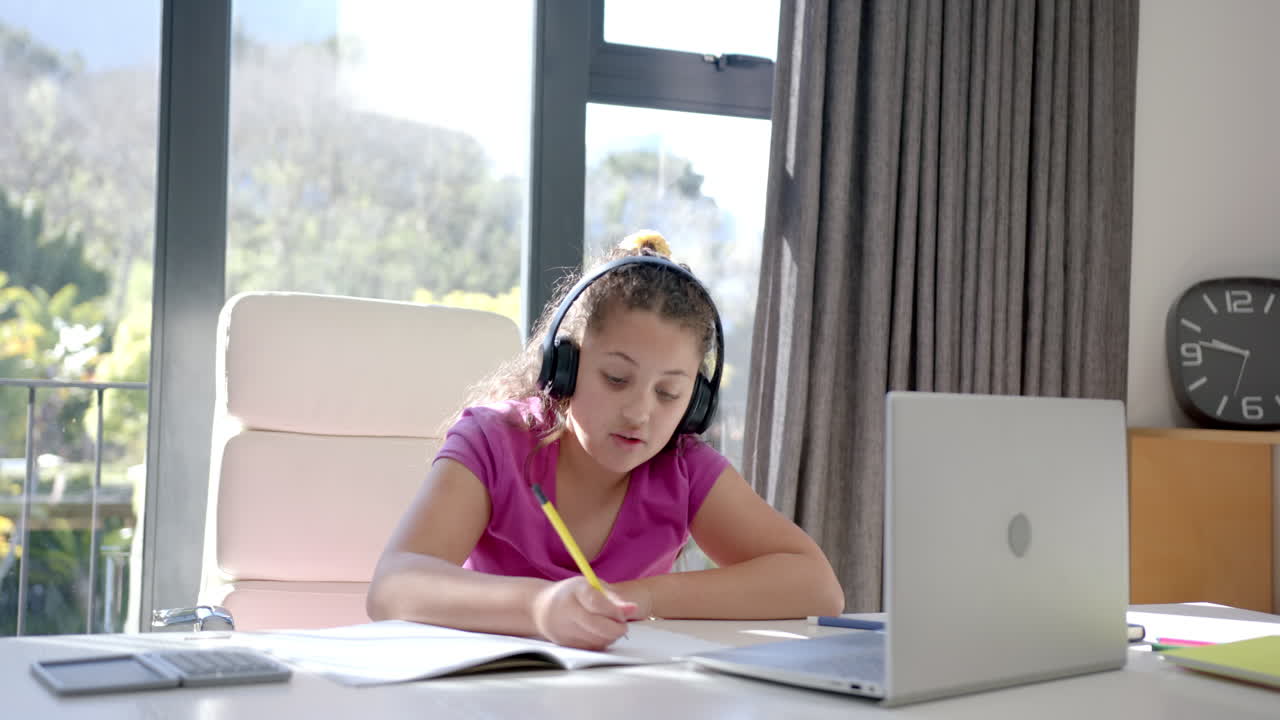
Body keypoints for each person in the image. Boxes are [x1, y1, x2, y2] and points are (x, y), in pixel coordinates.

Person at [367, 230, 844, 651]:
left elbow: (819, 587)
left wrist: (644, 597)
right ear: (565, 367)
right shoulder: (493, 440)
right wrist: (539, 608)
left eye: (668, 393)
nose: (639, 413)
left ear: (695, 403)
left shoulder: (684, 468)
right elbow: (392, 586)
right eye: (616, 378)